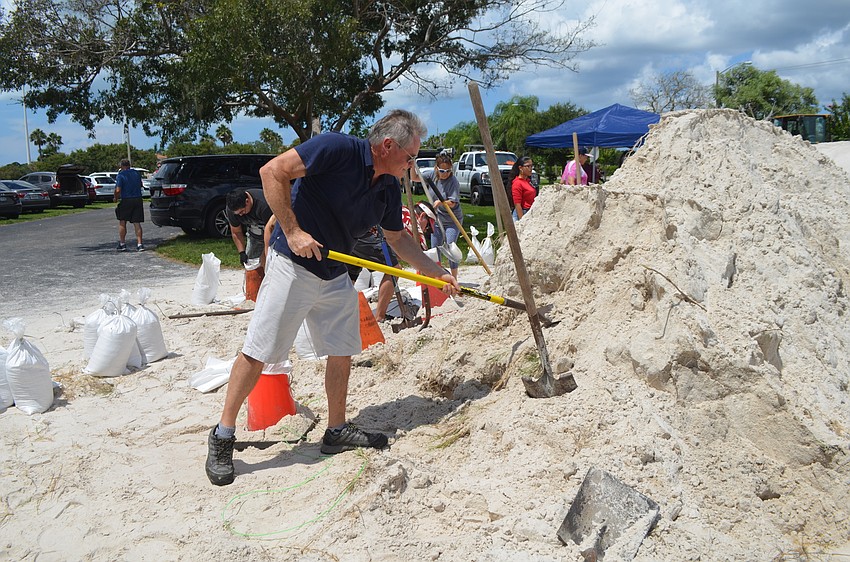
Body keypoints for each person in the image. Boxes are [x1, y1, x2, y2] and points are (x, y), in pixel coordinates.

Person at [205, 109, 460, 486]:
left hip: (333, 271)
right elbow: (271, 172)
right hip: (292, 263)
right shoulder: (336, 148)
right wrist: (292, 231)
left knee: (343, 347)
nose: (412, 164)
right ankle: (223, 435)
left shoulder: (387, 186)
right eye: (409, 157)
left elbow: (397, 238)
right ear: (387, 145)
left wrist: (433, 270)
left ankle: (336, 429)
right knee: (261, 350)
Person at [345, 227, 400, 321]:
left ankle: (341, 316)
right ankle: (380, 317)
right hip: (361, 233)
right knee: (394, 269)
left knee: (350, 276)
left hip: (348, 234)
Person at [424, 152, 463, 279]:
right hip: (437, 219)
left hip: (452, 220)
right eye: (442, 170)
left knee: (451, 247)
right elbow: (415, 178)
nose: (445, 173)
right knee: (436, 248)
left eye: (448, 170)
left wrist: (441, 202)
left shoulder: (453, 181)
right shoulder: (432, 176)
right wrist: (413, 166)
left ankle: (454, 277)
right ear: (436, 168)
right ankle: (438, 275)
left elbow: (452, 202)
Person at [225, 188, 276, 269]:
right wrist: (242, 252)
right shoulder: (232, 210)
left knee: (269, 264)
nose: (240, 215)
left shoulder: (264, 205)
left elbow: (271, 230)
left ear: (247, 201)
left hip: (273, 235)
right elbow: (236, 232)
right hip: (254, 236)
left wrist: (264, 255)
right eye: (237, 214)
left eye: (242, 211)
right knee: (252, 267)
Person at [114, 159, 145, 251]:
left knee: (122, 221)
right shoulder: (136, 173)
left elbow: (118, 190)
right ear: (129, 165)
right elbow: (141, 185)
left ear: (121, 166)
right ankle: (140, 244)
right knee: (137, 222)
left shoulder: (121, 175)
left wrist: (115, 197)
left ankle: (122, 243)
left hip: (127, 199)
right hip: (138, 199)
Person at [508, 156, 536, 220]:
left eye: (531, 166)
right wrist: (522, 220)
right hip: (522, 213)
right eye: (528, 166)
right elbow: (517, 204)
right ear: (520, 168)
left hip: (530, 212)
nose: (530, 169)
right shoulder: (517, 183)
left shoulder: (528, 181)